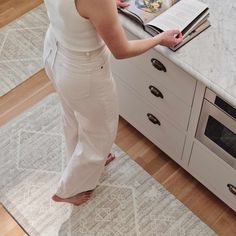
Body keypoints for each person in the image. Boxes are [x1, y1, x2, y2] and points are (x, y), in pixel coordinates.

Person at [43, 0, 183, 206]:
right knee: (100, 135)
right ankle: (69, 189)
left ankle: (80, 160)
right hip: (83, 71)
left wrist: (99, 10)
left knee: (72, 114)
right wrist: (159, 38)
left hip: (55, 48)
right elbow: (122, 50)